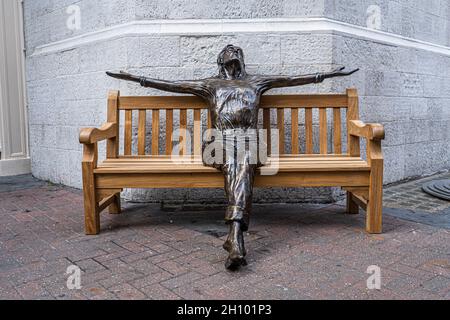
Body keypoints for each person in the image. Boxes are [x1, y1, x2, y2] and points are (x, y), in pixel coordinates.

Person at [107, 44, 358, 270]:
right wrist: (138, 79)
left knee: (243, 155)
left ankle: (235, 236)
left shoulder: (257, 82)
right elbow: (174, 84)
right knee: (240, 158)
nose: (233, 50)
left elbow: (290, 80)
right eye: (229, 50)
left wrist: (326, 76)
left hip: (248, 141)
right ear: (221, 61)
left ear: (243, 60)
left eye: (237, 50)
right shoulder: (210, 85)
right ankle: (235, 235)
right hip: (219, 141)